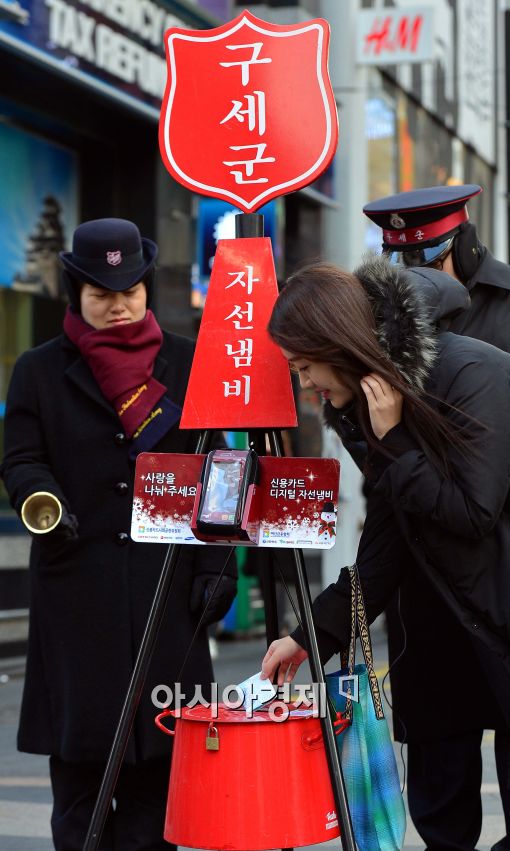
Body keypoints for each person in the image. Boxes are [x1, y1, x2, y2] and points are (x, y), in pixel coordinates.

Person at [0, 218, 237, 851]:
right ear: (75, 291)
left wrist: (219, 566)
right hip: (78, 594)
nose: (118, 304)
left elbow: (221, 468)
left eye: (130, 289)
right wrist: (38, 497)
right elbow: (21, 458)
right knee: (81, 789)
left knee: (162, 784)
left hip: (170, 593)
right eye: (102, 292)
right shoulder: (39, 371)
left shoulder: (190, 364)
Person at [260, 256, 510, 851]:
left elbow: (472, 513)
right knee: (441, 819)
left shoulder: (475, 373)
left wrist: (395, 438)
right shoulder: (360, 405)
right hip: (433, 632)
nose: (304, 385)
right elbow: (385, 543)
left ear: (336, 342)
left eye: (304, 367)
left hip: (501, 615)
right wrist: (309, 636)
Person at [362, 184, 510, 851]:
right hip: (424, 584)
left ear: (461, 245)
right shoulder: (384, 324)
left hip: (501, 570)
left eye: (426, 259)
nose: (413, 277)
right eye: (400, 263)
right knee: (441, 788)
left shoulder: (506, 308)